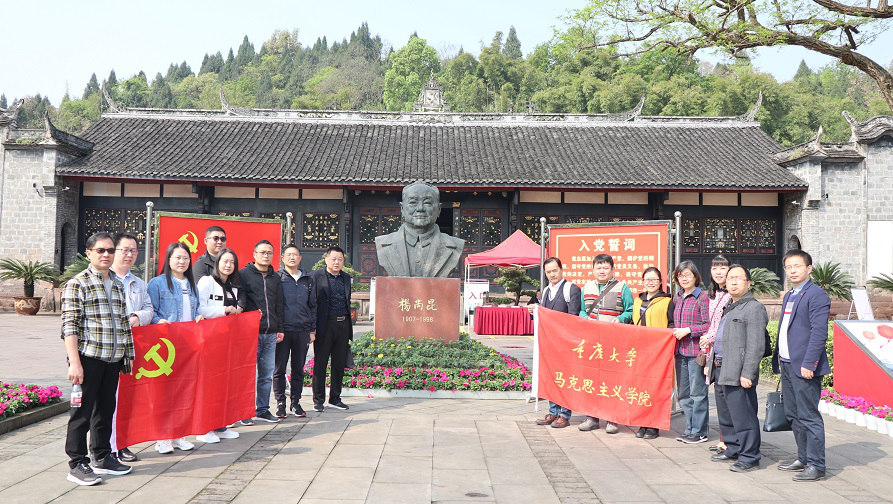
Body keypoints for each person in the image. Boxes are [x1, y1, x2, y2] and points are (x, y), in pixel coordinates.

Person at [62, 232, 135, 485]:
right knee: (81, 413)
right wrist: (74, 362)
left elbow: (123, 322)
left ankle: (102, 456)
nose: (106, 255)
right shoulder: (78, 283)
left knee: (105, 411)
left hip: (113, 359)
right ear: (89, 253)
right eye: (100, 250)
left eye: (110, 250)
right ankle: (77, 464)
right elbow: (70, 325)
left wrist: (127, 355)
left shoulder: (116, 283)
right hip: (88, 358)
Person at [772, 249, 831, 482]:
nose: (792, 271)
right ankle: (803, 457)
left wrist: (810, 363)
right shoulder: (790, 295)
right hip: (788, 364)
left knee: (808, 416)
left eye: (797, 266)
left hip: (805, 366)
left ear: (809, 268)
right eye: (788, 267)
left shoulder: (816, 295)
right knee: (793, 414)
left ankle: (817, 465)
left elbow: (819, 332)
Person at [705, 264, 767, 472]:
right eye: (730, 278)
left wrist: (748, 372)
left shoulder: (754, 308)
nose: (733, 282)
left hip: (738, 370)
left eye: (738, 278)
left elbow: (756, 345)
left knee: (744, 416)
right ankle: (733, 447)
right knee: (726, 414)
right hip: (721, 367)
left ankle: (750, 456)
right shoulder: (730, 305)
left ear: (748, 283)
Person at [147, 243, 203, 454]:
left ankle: (179, 434)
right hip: (166, 345)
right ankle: (162, 437)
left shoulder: (192, 284)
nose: (182, 261)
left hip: (188, 345)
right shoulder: (157, 283)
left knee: (184, 391)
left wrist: (199, 318)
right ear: (168, 259)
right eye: (177, 257)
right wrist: (159, 322)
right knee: (164, 391)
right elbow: (150, 311)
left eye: (185, 258)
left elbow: (195, 309)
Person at [108, 233, 153, 463]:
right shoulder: (104, 279)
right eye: (124, 250)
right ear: (114, 251)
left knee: (127, 398)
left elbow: (149, 309)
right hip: (107, 348)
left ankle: (122, 443)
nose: (129, 254)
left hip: (131, 349)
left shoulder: (139, 283)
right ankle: (106, 447)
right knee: (108, 400)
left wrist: (137, 316)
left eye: (133, 251)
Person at [578, 253, 633, 433]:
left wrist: (620, 319)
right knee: (592, 379)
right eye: (599, 267)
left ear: (612, 269)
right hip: (592, 342)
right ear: (593, 269)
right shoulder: (586, 288)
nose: (602, 271)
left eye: (605, 267)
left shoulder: (622, 287)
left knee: (612, 380)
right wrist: (585, 318)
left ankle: (612, 418)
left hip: (613, 343)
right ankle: (591, 417)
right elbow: (581, 310)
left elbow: (630, 310)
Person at [195, 248, 243, 443]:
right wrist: (224, 309)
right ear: (217, 263)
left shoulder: (233, 286)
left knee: (223, 385)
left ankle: (220, 425)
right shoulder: (206, 282)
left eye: (232, 262)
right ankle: (203, 428)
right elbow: (199, 308)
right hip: (208, 339)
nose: (228, 265)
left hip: (226, 341)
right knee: (208, 385)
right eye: (225, 261)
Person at [374, 181, 465, 277]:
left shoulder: (455, 245)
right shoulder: (383, 243)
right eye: (413, 202)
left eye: (427, 203)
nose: (420, 208)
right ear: (402, 209)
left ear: (439, 209)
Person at [531, 257, 582, 429]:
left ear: (561, 270)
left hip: (565, 343)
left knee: (565, 379)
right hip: (549, 344)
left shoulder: (571, 289)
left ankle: (564, 414)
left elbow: (574, 317)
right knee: (552, 378)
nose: (552, 274)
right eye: (548, 272)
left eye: (555, 270)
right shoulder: (546, 291)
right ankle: (553, 411)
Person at [238, 240, 285, 424]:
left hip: (270, 333)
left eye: (269, 253)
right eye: (262, 252)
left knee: (266, 376)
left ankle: (263, 410)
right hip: (251, 334)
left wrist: (280, 329)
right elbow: (241, 300)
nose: (266, 256)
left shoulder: (275, 277)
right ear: (254, 254)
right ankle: (244, 412)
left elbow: (279, 305)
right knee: (248, 375)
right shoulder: (243, 275)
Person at [631, 267, 674, 440]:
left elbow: (671, 325)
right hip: (640, 351)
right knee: (642, 387)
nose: (650, 283)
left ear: (660, 282)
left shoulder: (667, 301)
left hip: (658, 352)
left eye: (654, 280)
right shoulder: (637, 301)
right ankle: (643, 422)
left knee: (656, 388)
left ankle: (654, 425)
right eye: (647, 280)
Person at [274, 244, 317, 418]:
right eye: (289, 254)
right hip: (283, 331)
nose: (292, 257)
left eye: (295, 255)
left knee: (298, 368)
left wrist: (312, 329)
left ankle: (296, 402)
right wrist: (277, 329)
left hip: (302, 331)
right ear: (283, 258)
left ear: (300, 258)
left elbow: (313, 306)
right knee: (279, 369)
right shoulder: (277, 278)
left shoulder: (308, 279)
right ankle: (280, 403)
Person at [672, 260, 711, 444]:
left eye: (688, 275)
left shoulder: (702, 297)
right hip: (680, 353)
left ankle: (700, 431)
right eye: (680, 275)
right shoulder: (677, 297)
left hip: (696, 353)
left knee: (698, 394)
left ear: (696, 276)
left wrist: (688, 330)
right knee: (683, 395)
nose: (684, 278)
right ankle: (689, 429)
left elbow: (708, 325)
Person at [311, 246, 353, 412]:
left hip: (343, 325)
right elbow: (312, 303)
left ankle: (335, 398)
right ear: (326, 259)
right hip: (325, 325)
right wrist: (312, 327)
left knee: (338, 364)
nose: (336, 262)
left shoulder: (346, 277)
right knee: (320, 363)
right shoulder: (316, 276)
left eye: (340, 259)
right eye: (333, 259)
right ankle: (318, 400)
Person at [704, 255, 732, 454]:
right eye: (714, 268)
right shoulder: (712, 294)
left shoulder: (732, 295)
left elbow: (723, 325)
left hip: (725, 351)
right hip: (712, 352)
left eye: (722, 267)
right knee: (720, 399)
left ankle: (730, 441)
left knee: (728, 399)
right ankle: (724, 439)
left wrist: (709, 336)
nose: (718, 272)